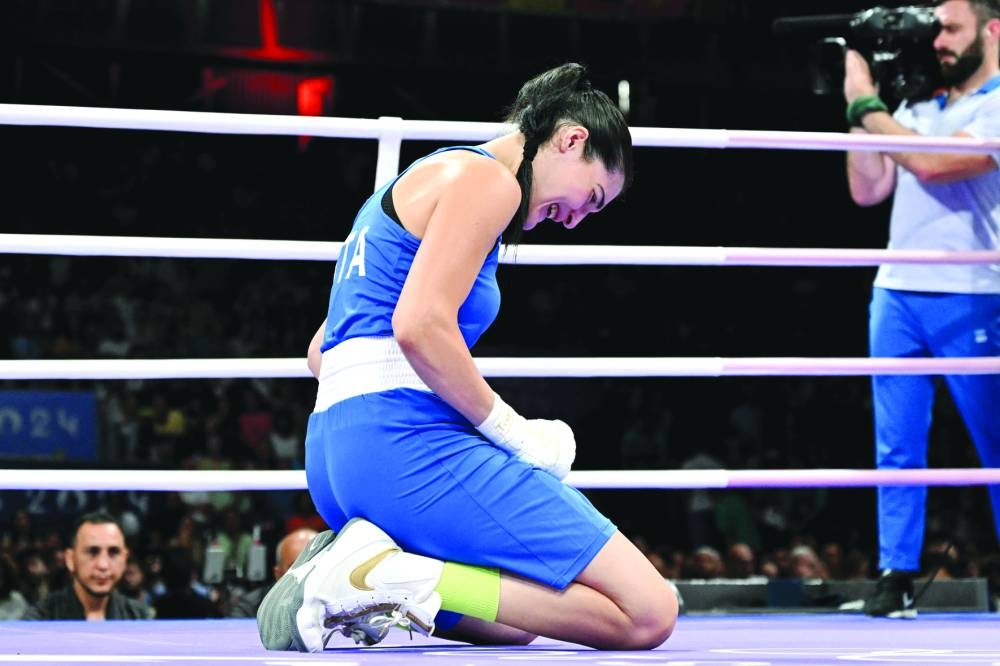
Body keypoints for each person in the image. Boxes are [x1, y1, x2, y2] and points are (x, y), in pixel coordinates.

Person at [255, 62, 679, 653]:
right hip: (397, 445)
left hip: (335, 460)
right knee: (648, 613)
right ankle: (376, 576)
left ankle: (379, 578)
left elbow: (319, 352)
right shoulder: (490, 182)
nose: (578, 218)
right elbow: (419, 325)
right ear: (571, 139)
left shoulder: (421, 180)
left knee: (516, 622)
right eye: (592, 197)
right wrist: (512, 433)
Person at [842, 0, 1000, 619]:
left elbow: (934, 164)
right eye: (933, 29)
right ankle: (895, 575)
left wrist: (865, 103)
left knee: (995, 444)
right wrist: (861, 109)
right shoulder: (916, 106)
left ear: (992, 29)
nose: (937, 42)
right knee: (896, 444)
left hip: (973, 291)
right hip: (896, 289)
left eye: (951, 29)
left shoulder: (995, 102)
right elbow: (868, 187)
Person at [23, 511, 153, 620]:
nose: (103, 565)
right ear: (70, 560)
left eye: (113, 552)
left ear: (125, 559)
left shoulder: (140, 617)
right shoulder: (40, 620)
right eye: (92, 552)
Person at [228, 528, 318, 617]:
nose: (307, 575)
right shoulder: (251, 608)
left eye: (316, 566)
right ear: (278, 574)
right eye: (297, 567)